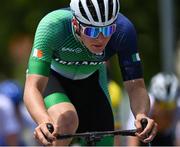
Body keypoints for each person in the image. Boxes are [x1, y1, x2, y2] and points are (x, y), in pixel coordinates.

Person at [23, 0, 157, 146]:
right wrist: (44, 120)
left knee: (105, 141)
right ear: (75, 24)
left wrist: (141, 114)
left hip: (92, 79)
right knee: (67, 120)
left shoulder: (124, 30)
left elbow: (136, 86)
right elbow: (32, 87)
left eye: (107, 30)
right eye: (91, 31)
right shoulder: (52, 26)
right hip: (54, 78)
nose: (100, 39)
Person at [126, 72, 180, 146]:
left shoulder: (178, 108)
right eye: (161, 105)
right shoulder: (143, 106)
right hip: (143, 138)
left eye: (169, 106)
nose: (165, 111)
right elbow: (132, 143)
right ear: (154, 100)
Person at [0, 80, 37, 146]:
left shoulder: (22, 111)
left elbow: (34, 127)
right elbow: (11, 134)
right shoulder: (4, 104)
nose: (14, 109)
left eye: (16, 105)